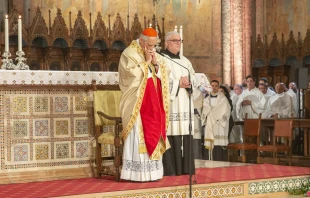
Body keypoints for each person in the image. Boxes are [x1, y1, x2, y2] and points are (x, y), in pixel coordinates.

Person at [118, 27, 170, 182]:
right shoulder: (129, 53)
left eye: (154, 46)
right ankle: (135, 174)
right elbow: (129, 76)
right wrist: (146, 63)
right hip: (137, 104)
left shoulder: (154, 53)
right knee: (139, 134)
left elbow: (164, 74)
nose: (152, 49)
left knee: (154, 130)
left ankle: (153, 172)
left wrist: (155, 64)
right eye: (150, 46)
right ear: (141, 41)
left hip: (153, 104)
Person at [161, 31, 196, 176]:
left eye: (180, 40)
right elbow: (160, 79)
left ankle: (187, 169)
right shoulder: (161, 58)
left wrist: (189, 82)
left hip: (185, 101)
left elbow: (194, 76)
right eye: (175, 40)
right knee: (172, 133)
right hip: (172, 103)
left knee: (186, 133)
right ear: (167, 43)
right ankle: (171, 170)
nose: (178, 43)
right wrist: (177, 83)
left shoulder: (185, 61)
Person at [201, 80, 231, 161]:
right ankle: (209, 160)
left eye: (216, 86)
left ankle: (220, 160)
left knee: (218, 144)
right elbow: (205, 111)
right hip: (210, 123)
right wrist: (210, 114)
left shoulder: (223, 99)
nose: (214, 87)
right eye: (212, 86)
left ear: (218, 87)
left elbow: (227, 110)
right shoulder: (206, 99)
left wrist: (215, 116)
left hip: (219, 124)